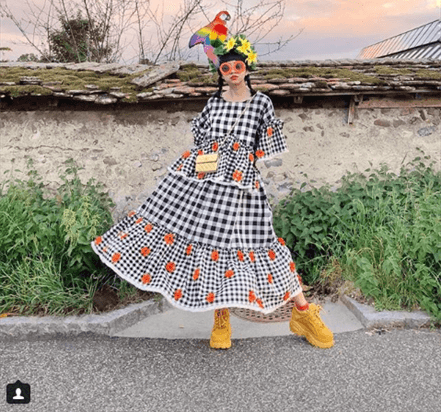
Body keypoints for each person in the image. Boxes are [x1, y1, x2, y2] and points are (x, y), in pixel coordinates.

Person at [90, 33, 334, 349]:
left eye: (237, 66)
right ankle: (221, 319)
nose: (232, 72)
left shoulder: (261, 103)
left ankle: (303, 313)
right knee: (213, 248)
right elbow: (203, 146)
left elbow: (265, 149)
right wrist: (202, 183)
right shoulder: (213, 104)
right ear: (219, 73)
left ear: (247, 68)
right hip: (206, 181)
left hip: (243, 188)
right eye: (225, 68)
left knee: (266, 246)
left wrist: (240, 166)